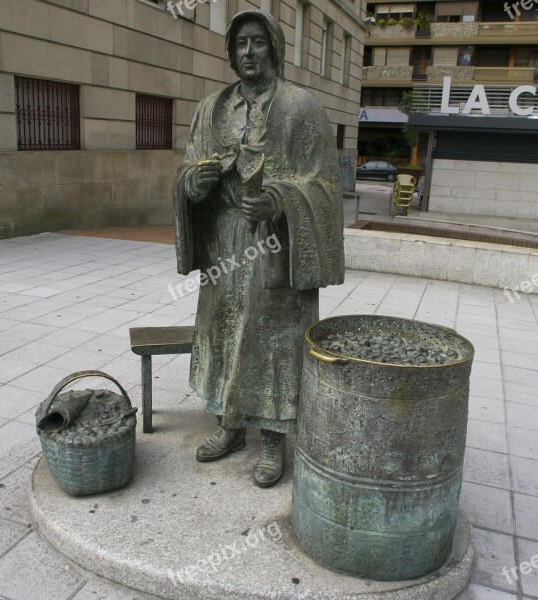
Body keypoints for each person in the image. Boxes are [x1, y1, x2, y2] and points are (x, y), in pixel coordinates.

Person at [173, 10, 345, 488]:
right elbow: (186, 169)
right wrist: (194, 182)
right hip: (224, 244)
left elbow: (327, 186)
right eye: (240, 44)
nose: (248, 52)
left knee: (274, 341)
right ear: (231, 54)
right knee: (225, 331)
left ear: (275, 48)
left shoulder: (301, 109)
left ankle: (273, 439)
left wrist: (282, 198)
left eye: (257, 43)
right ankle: (228, 424)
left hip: (276, 245)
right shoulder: (211, 109)